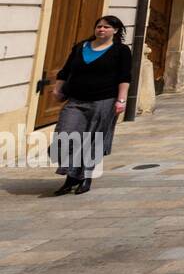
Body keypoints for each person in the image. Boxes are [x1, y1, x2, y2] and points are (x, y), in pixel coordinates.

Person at [48, 15, 131, 196]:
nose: (101, 29)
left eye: (106, 27)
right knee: (65, 136)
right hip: (76, 100)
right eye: (99, 26)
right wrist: (57, 89)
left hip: (104, 101)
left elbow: (124, 77)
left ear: (115, 31)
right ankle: (72, 174)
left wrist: (121, 100)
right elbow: (65, 71)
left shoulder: (121, 51)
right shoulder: (80, 47)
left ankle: (81, 178)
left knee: (92, 140)